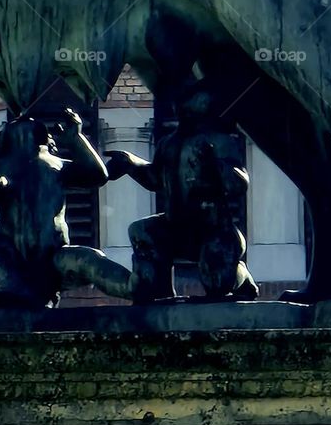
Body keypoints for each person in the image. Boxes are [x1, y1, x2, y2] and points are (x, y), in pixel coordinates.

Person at [0, 108, 134, 307]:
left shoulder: (58, 165)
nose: (26, 120)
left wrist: (76, 139)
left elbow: (97, 175)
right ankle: (15, 287)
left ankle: (135, 287)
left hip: (54, 257)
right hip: (10, 257)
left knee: (89, 259)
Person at [106, 87, 258, 302]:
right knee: (142, 231)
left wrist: (214, 163)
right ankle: (160, 294)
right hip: (175, 227)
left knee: (217, 286)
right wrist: (130, 163)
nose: (182, 109)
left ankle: (241, 277)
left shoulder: (220, 140)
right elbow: (155, 179)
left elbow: (238, 185)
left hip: (213, 231)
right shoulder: (168, 143)